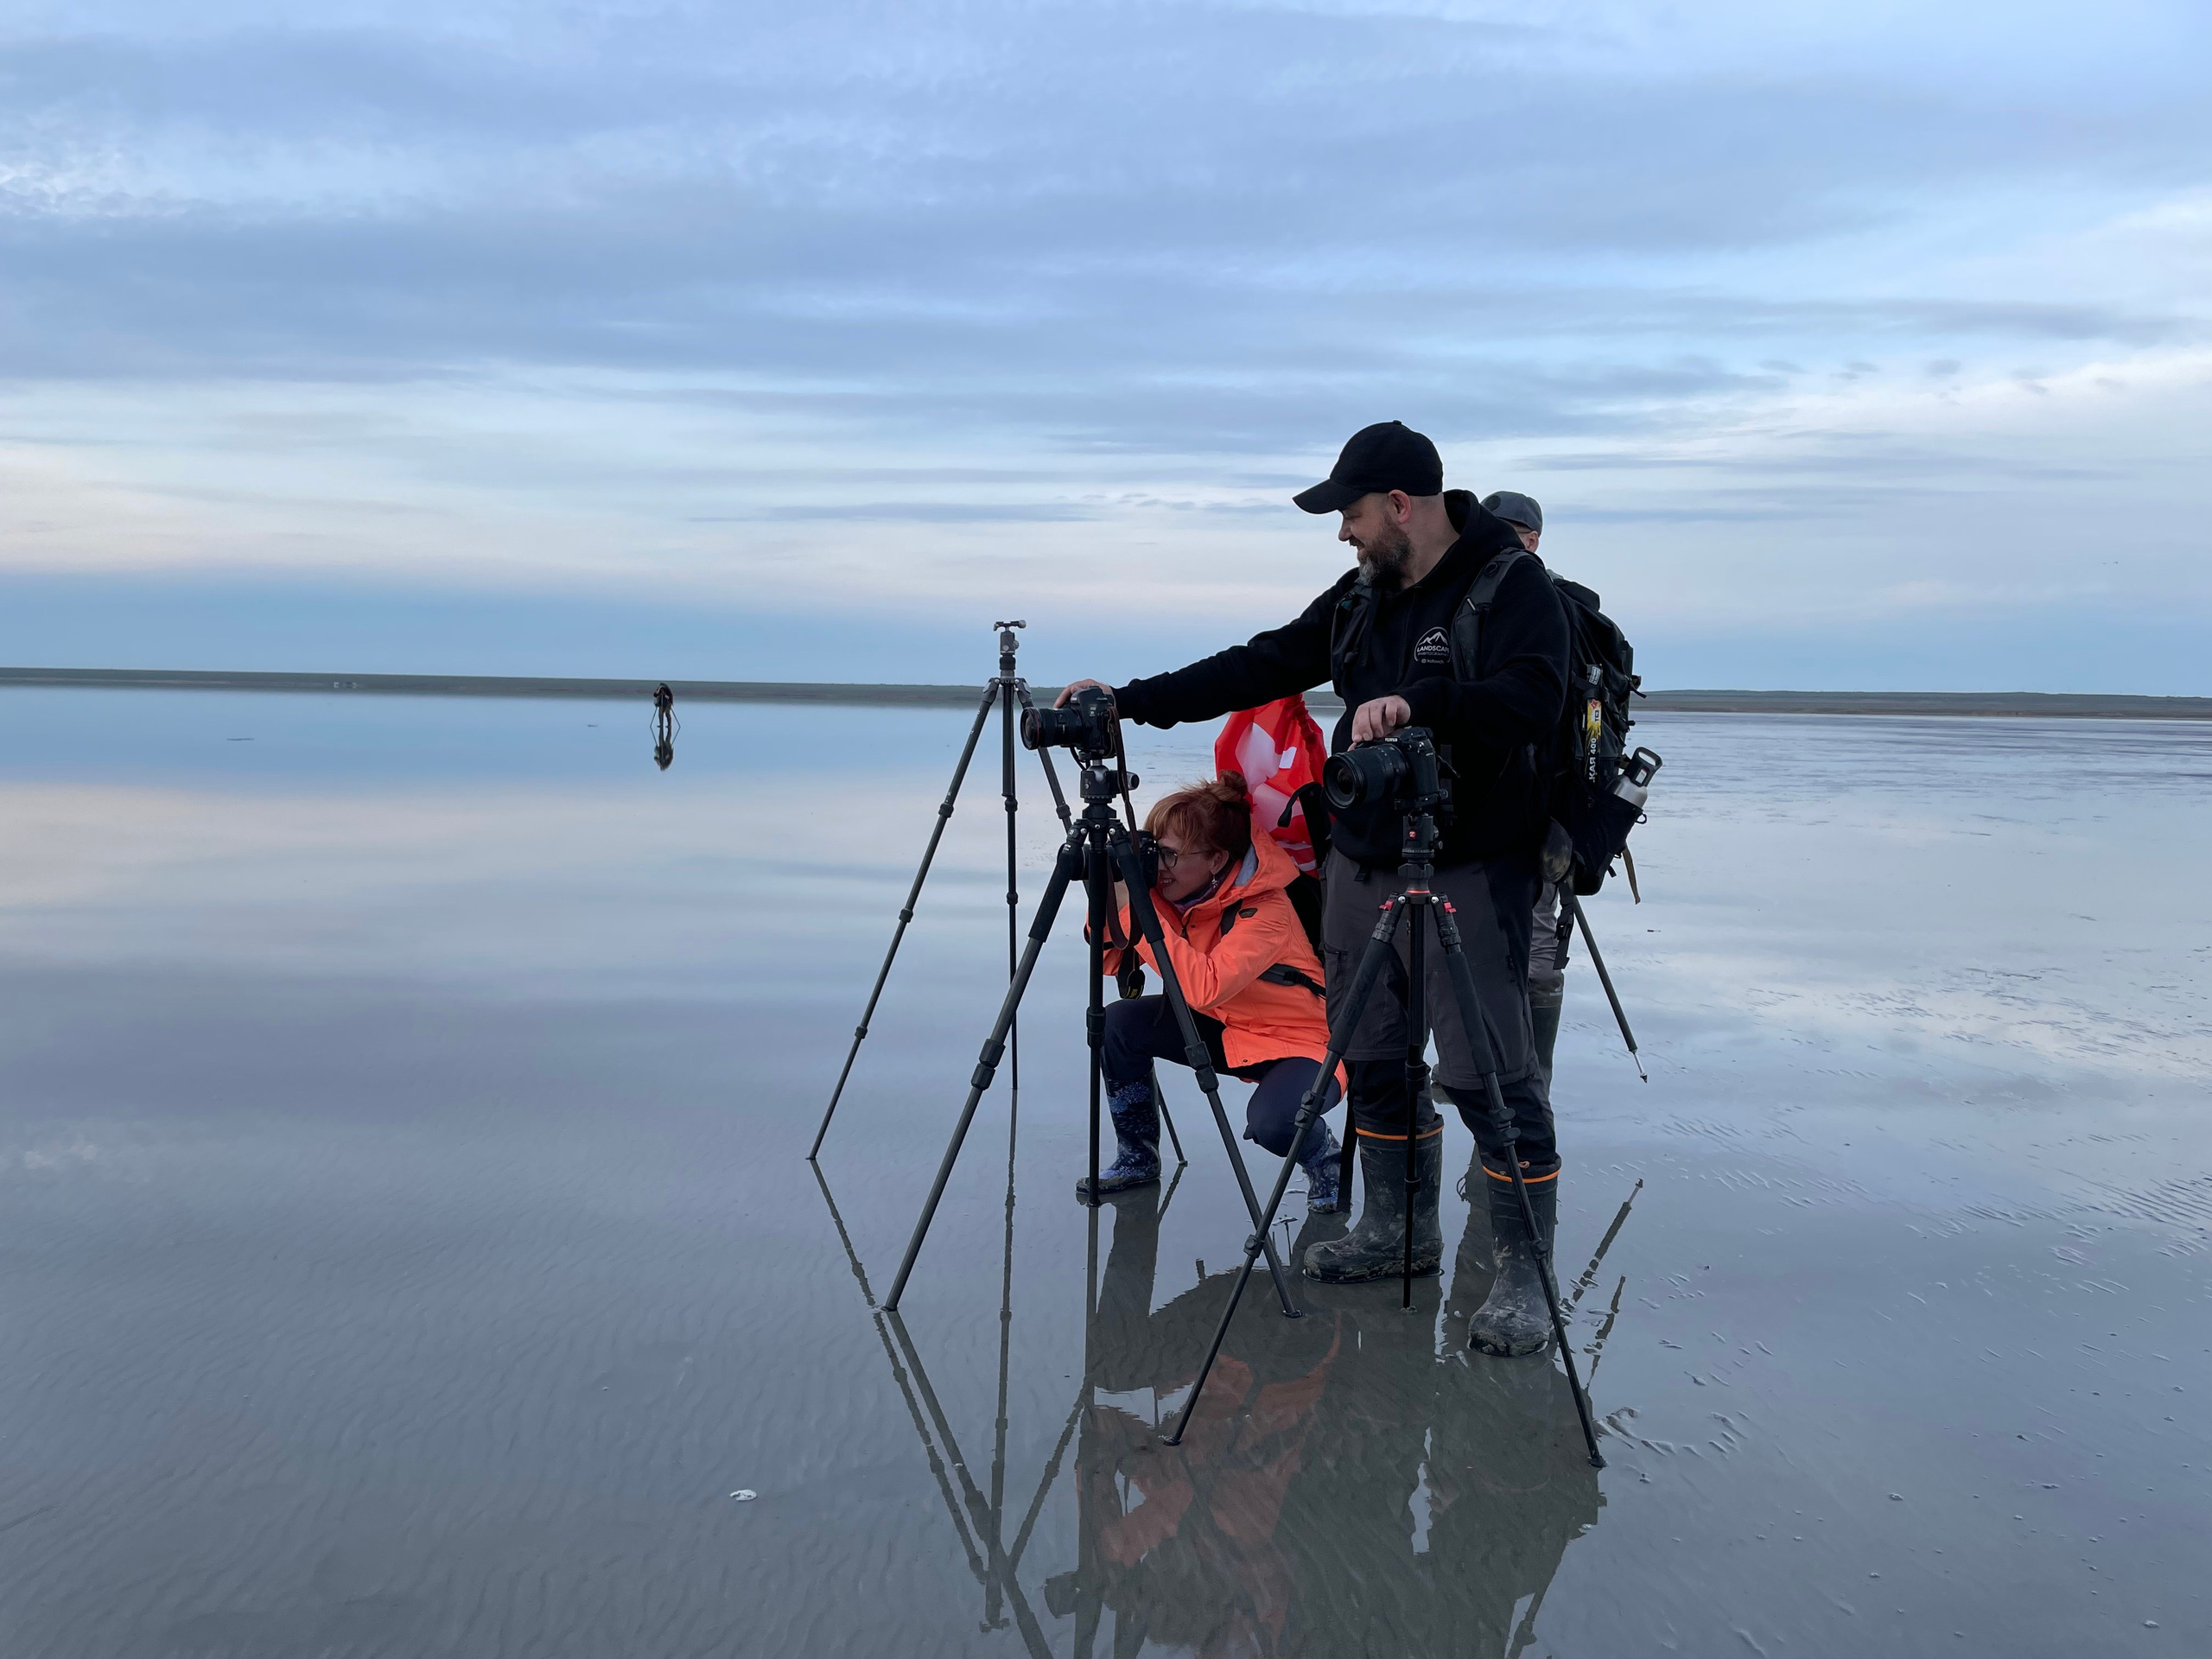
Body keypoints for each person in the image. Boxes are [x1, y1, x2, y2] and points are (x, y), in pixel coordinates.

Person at [1060, 420, 1571, 1357]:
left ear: (1399, 506)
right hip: (1360, 860)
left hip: (1472, 862)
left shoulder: (1510, 584)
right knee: (1371, 1054)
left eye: (1348, 513)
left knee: (1488, 1076)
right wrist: (1127, 700)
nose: (1341, 532)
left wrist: (1426, 704)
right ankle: (1394, 1231)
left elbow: (1535, 699)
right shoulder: (1358, 600)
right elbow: (1259, 662)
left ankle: (1523, 1276)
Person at [1084, 773, 1344, 1211]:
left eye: (1169, 855)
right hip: (1225, 1027)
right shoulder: (1173, 890)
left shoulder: (1269, 910)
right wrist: (1112, 894)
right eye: (1154, 850)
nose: (1158, 866)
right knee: (1118, 1024)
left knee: (1274, 1124)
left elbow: (1205, 987)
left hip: (1300, 1043)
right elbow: (1110, 956)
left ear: (1217, 859)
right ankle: (1137, 1157)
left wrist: (1138, 911)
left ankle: (1327, 1162)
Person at [1482, 489, 1567, 1086]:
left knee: (1533, 935)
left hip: (1539, 805)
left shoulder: (1548, 605)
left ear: (1535, 539)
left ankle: (1527, 1075)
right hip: (1500, 805)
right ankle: (1511, 1071)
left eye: (1515, 531)